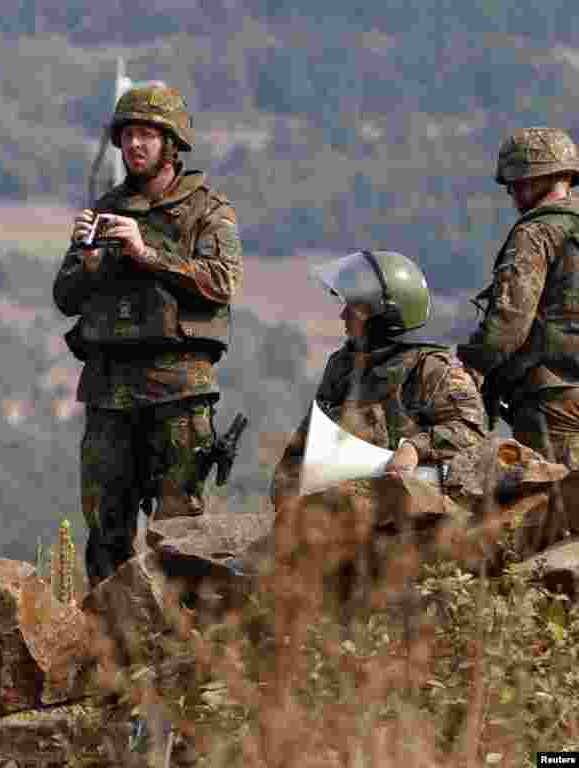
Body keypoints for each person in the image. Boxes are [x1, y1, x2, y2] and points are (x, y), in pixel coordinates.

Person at [53, 83, 242, 585]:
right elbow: (65, 298)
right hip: (109, 391)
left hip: (178, 390)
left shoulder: (207, 210)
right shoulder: (104, 211)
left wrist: (148, 255)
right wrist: (89, 264)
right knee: (105, 527)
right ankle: (106, 641)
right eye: (128, 135)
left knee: (179, 529)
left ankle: (179, 641)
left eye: (146, 135)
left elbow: (222, 283)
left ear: (171, 143)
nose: (135, 146)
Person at [272, 249, 487, 506]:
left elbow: (471, 431)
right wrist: (289, 484)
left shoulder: (433, 368)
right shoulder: (342, 366)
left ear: (385, 315)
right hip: (344, 508)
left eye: (354, 308)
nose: (343, 315)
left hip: (418, 512)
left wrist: (415, 449)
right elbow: (307, 440)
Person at [457, 127, 579, 553]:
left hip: (553, 397)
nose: (512, 196)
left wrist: (471, 364)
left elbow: (509, 321)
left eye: (515, 185)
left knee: (551, 517)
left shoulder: (536, 234)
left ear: (534, 179)